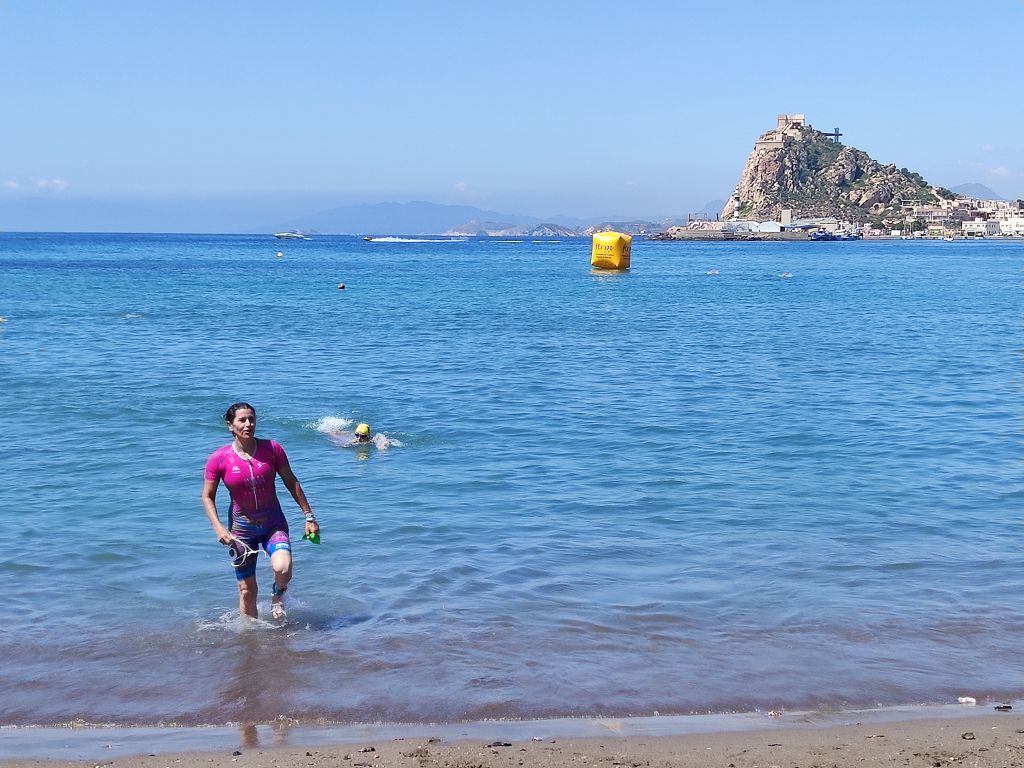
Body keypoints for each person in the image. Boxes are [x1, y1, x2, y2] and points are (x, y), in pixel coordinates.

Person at [201, 402, 320, 620]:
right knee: (247, 591)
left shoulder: (272, 449)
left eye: (251, 419)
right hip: (241, 531)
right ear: (230, 425)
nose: (248, 424)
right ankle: (250, 641)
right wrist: (218, 528)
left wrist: (309, 516)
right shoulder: (219, 459)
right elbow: (207, 496)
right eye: (242, 420)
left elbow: (291, 482)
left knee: (283, 568)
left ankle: (278, 594)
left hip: (273, 524)